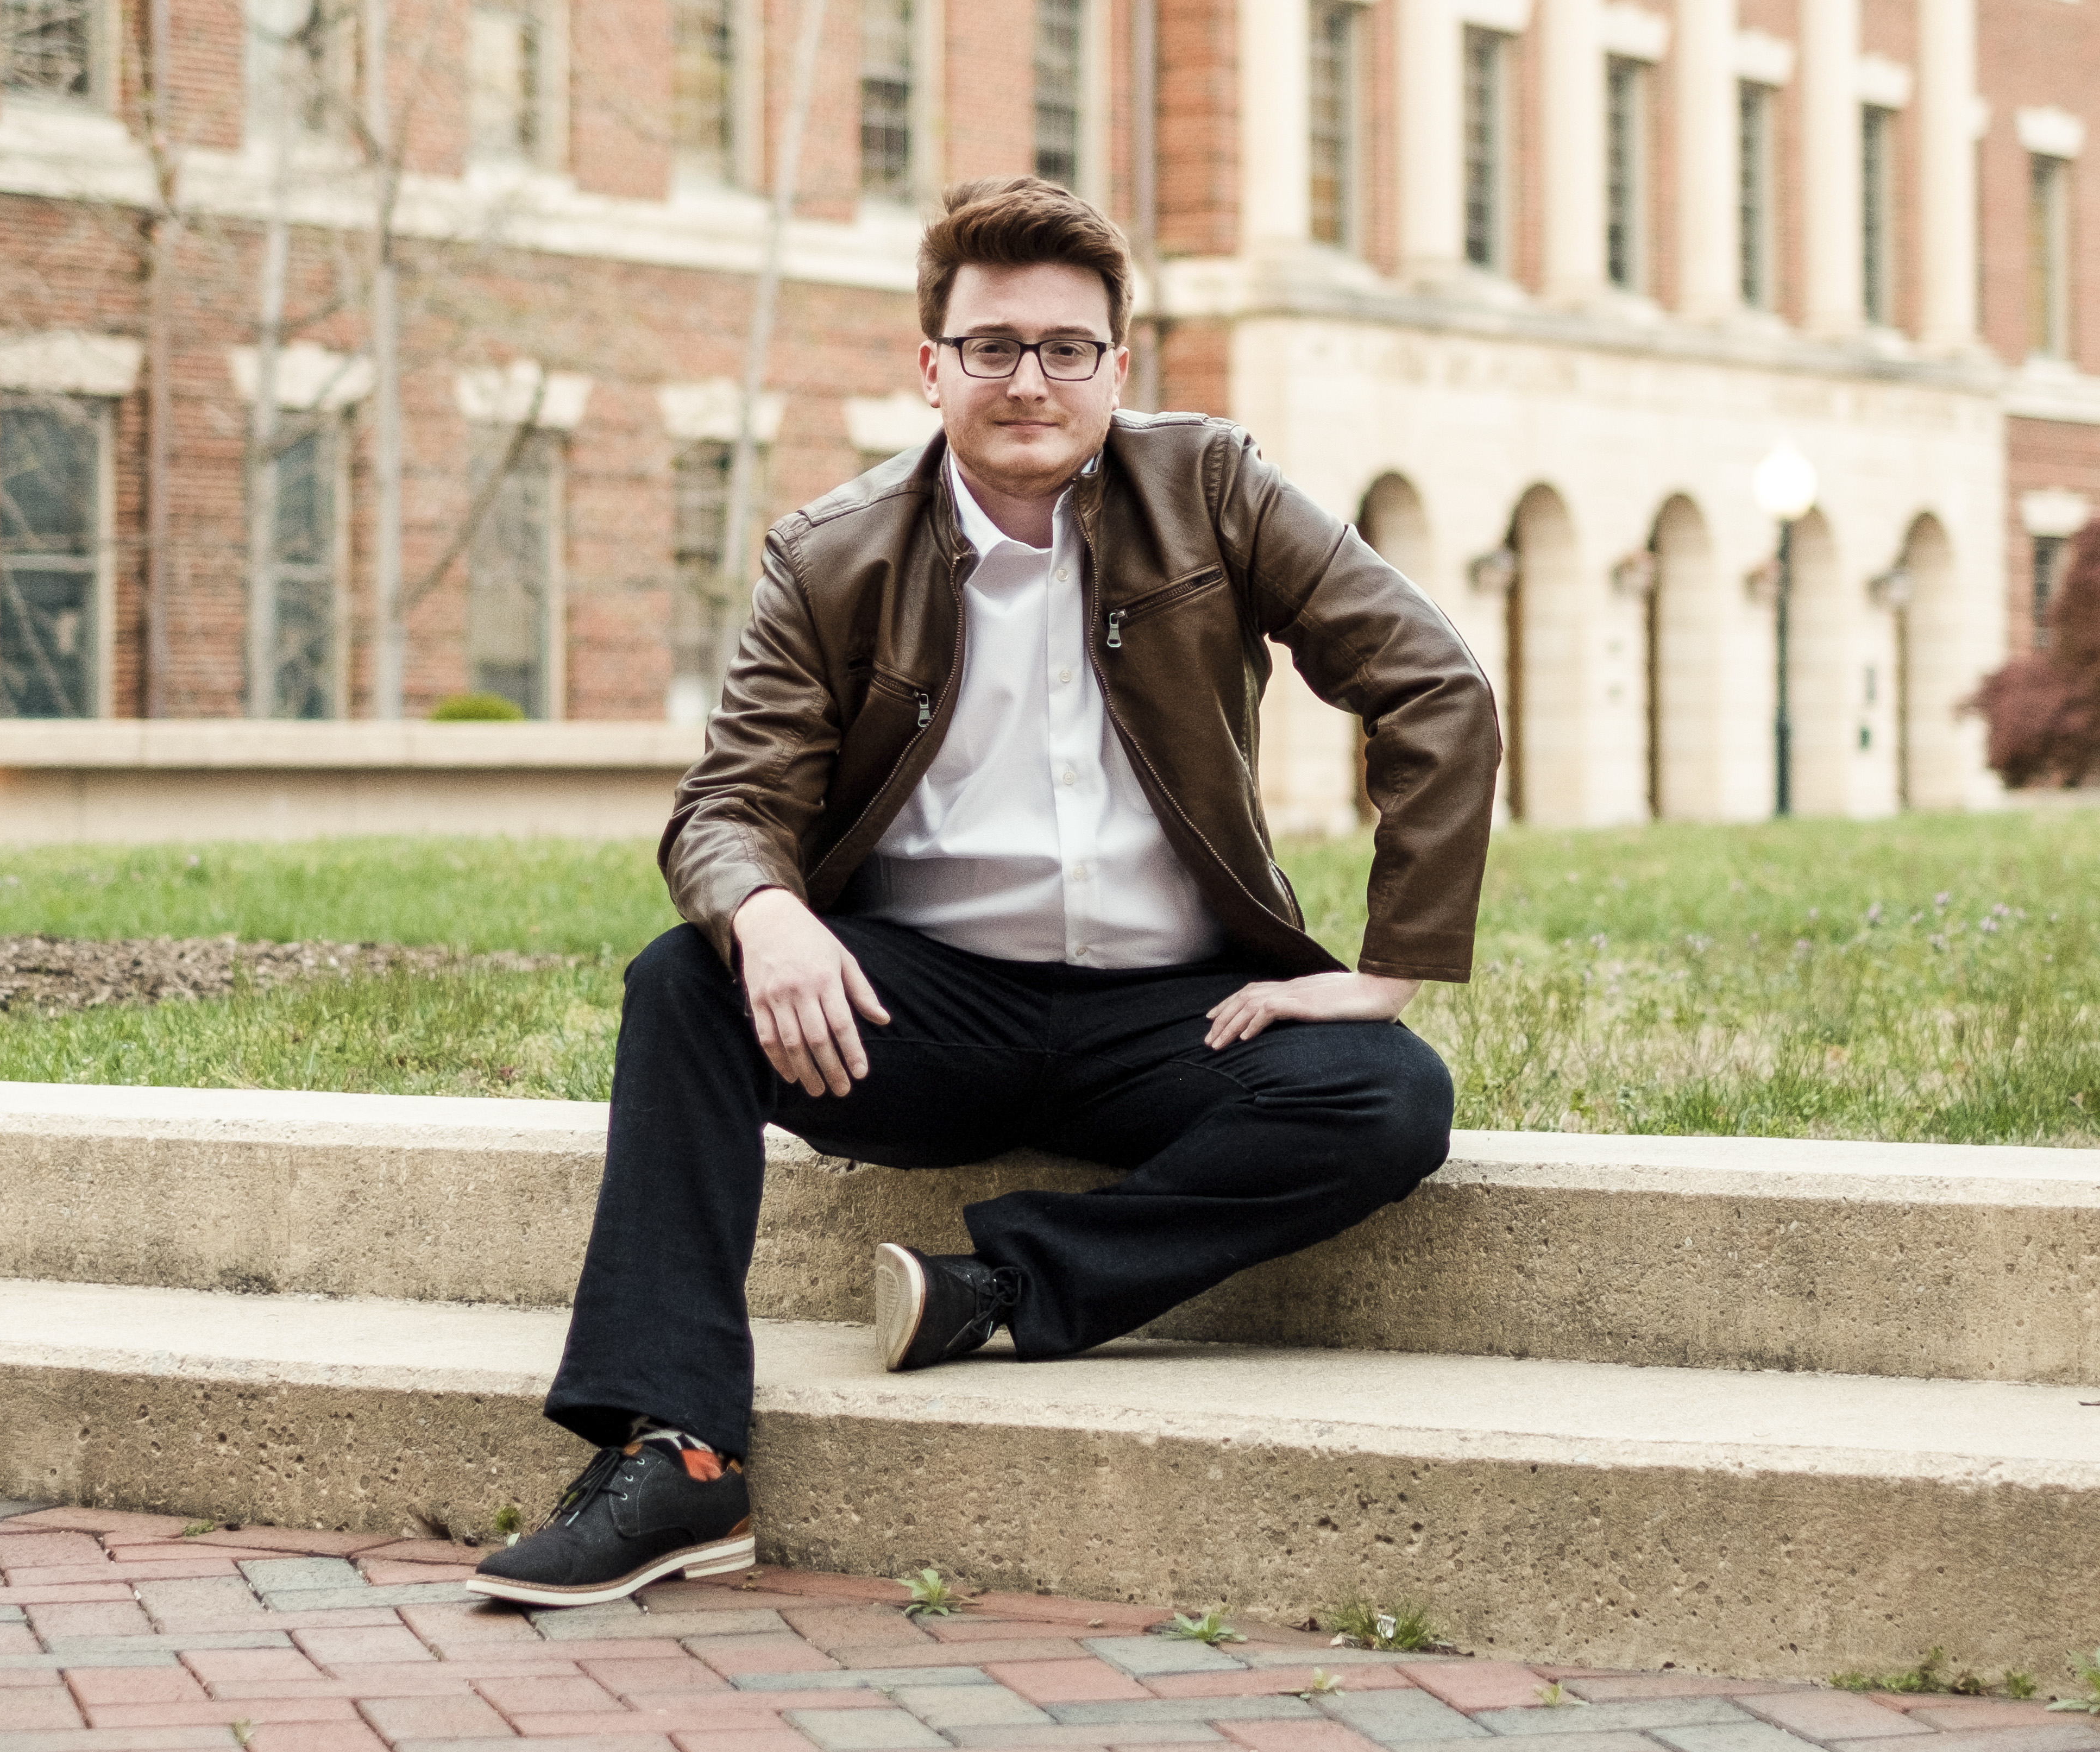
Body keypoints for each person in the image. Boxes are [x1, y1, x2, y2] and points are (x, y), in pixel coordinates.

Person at [467, 176, 1501, 1608]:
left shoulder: (1211, 488)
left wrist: (1387, 968)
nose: (1029, 381)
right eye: (992, 346)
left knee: (1389, 1095)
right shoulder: (833, 553)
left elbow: (1434, 681)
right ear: (931, 366)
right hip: (918, 1015)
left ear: (1118, 369)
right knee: (685, 985)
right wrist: (767, 914)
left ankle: (1001, 1290)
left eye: (1067, 349)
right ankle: (679, 1452)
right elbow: (730, 800)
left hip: (1172, 1016)